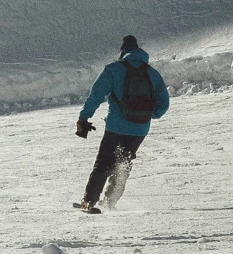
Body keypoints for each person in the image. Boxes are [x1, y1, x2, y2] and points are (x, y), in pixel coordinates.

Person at [72, 35, 169, 213]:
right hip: (140, 129)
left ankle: (89, 202)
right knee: (123, 163)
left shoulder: (113, 69)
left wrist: (83, 118)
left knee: (103, 163)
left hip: (116, 126)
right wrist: (146, 115)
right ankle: (110, 202)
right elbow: (164, 104)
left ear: (123, 51)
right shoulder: (152, 73)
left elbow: (95, 96)